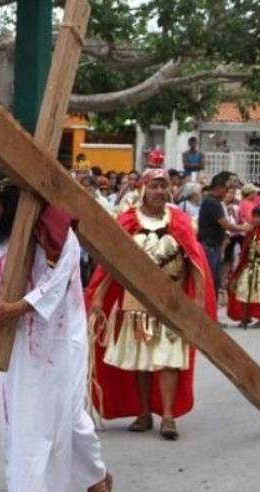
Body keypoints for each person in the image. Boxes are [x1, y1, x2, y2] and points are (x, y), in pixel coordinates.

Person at [0, 167, 111, 492]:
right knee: (23, 430)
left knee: (69, 422)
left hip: (58, 343)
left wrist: (21, 306)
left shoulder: (57, 235)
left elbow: (59, 281)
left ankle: (96, 477)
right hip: (15, 349)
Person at [86, 168, 216, 442]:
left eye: (163, 186)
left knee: (169, 357)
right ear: (144, 188)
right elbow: (115, 262)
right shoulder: (128, 220)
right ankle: (144, 412)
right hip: (136, 301)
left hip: (172, 300)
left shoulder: (179, 221)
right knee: (142, 360)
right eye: (154, 185)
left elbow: (194, 261)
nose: (159, 191)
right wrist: (99, 295)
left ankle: (167, 416)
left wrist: (200, 298)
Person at [198, 172, 252, 298]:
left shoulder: (213, 201)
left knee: (214, 280)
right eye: (226, 189)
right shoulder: (213, 203)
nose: (227, 192)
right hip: (209, 246)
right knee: (211, 280)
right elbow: (226, 225)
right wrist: (244, 228)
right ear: (219, 188)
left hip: (214, 245)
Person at [227, 207, 260, 328]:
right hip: (248, 266)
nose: (255, 219)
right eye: (254, 216)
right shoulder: (250, 231)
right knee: (242, 291)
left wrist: (259, 250)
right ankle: (246, 316)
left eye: (258, 217)